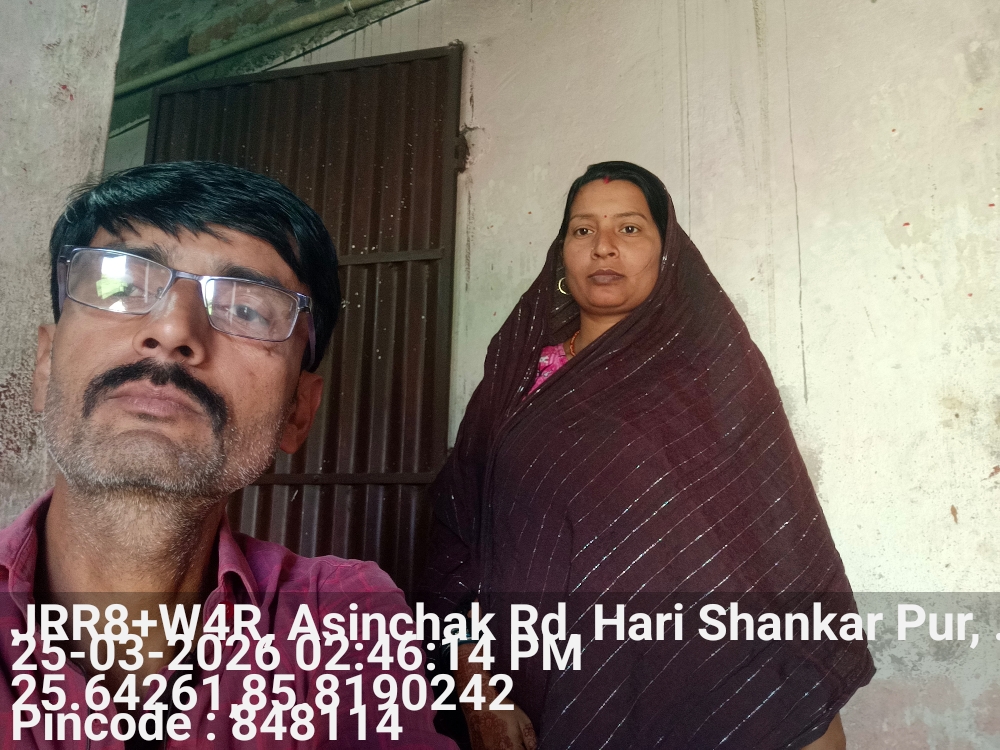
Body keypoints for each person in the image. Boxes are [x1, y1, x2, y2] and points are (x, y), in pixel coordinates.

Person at [2, 161, 456, 749]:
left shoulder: (342, 619)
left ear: (297, 411)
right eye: (121, 285)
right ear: (45, 364)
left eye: (246, 309)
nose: (173, 330)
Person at [421, 161, 874, 749]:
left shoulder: (713, 374)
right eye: (583, 230)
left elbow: (766, 541)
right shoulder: (517, 380)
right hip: (538, 686)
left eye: (630, 228)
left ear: (667, 253)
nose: (603, 246)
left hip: (697, 671)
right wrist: (479, 689)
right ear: (562, 253)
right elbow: (457, 538)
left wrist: (790, 698)